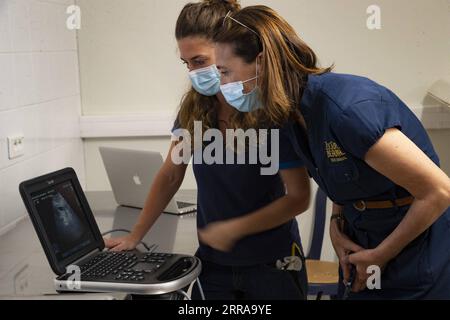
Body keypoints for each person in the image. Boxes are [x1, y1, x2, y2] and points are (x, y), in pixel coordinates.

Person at [213, 5, 450, 299]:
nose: (222, 86)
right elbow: (342, 177)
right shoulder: (289, 115)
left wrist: (382, 255)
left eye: (225, 72)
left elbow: (438, 192)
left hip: (417, 254)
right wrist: (337, 225)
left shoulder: (348, 110)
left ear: (261, 62)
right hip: (360, 248)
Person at [105, 0, 313, 300]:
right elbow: (171, 174)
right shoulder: (195, 109)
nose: (192, 72)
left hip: (273, 262)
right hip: (214, 264)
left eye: (200, 61)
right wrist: (135, 235)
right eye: (186, 63)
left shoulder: (270, 110)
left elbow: (298, 198)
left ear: (228, 48)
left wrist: (235, 229)